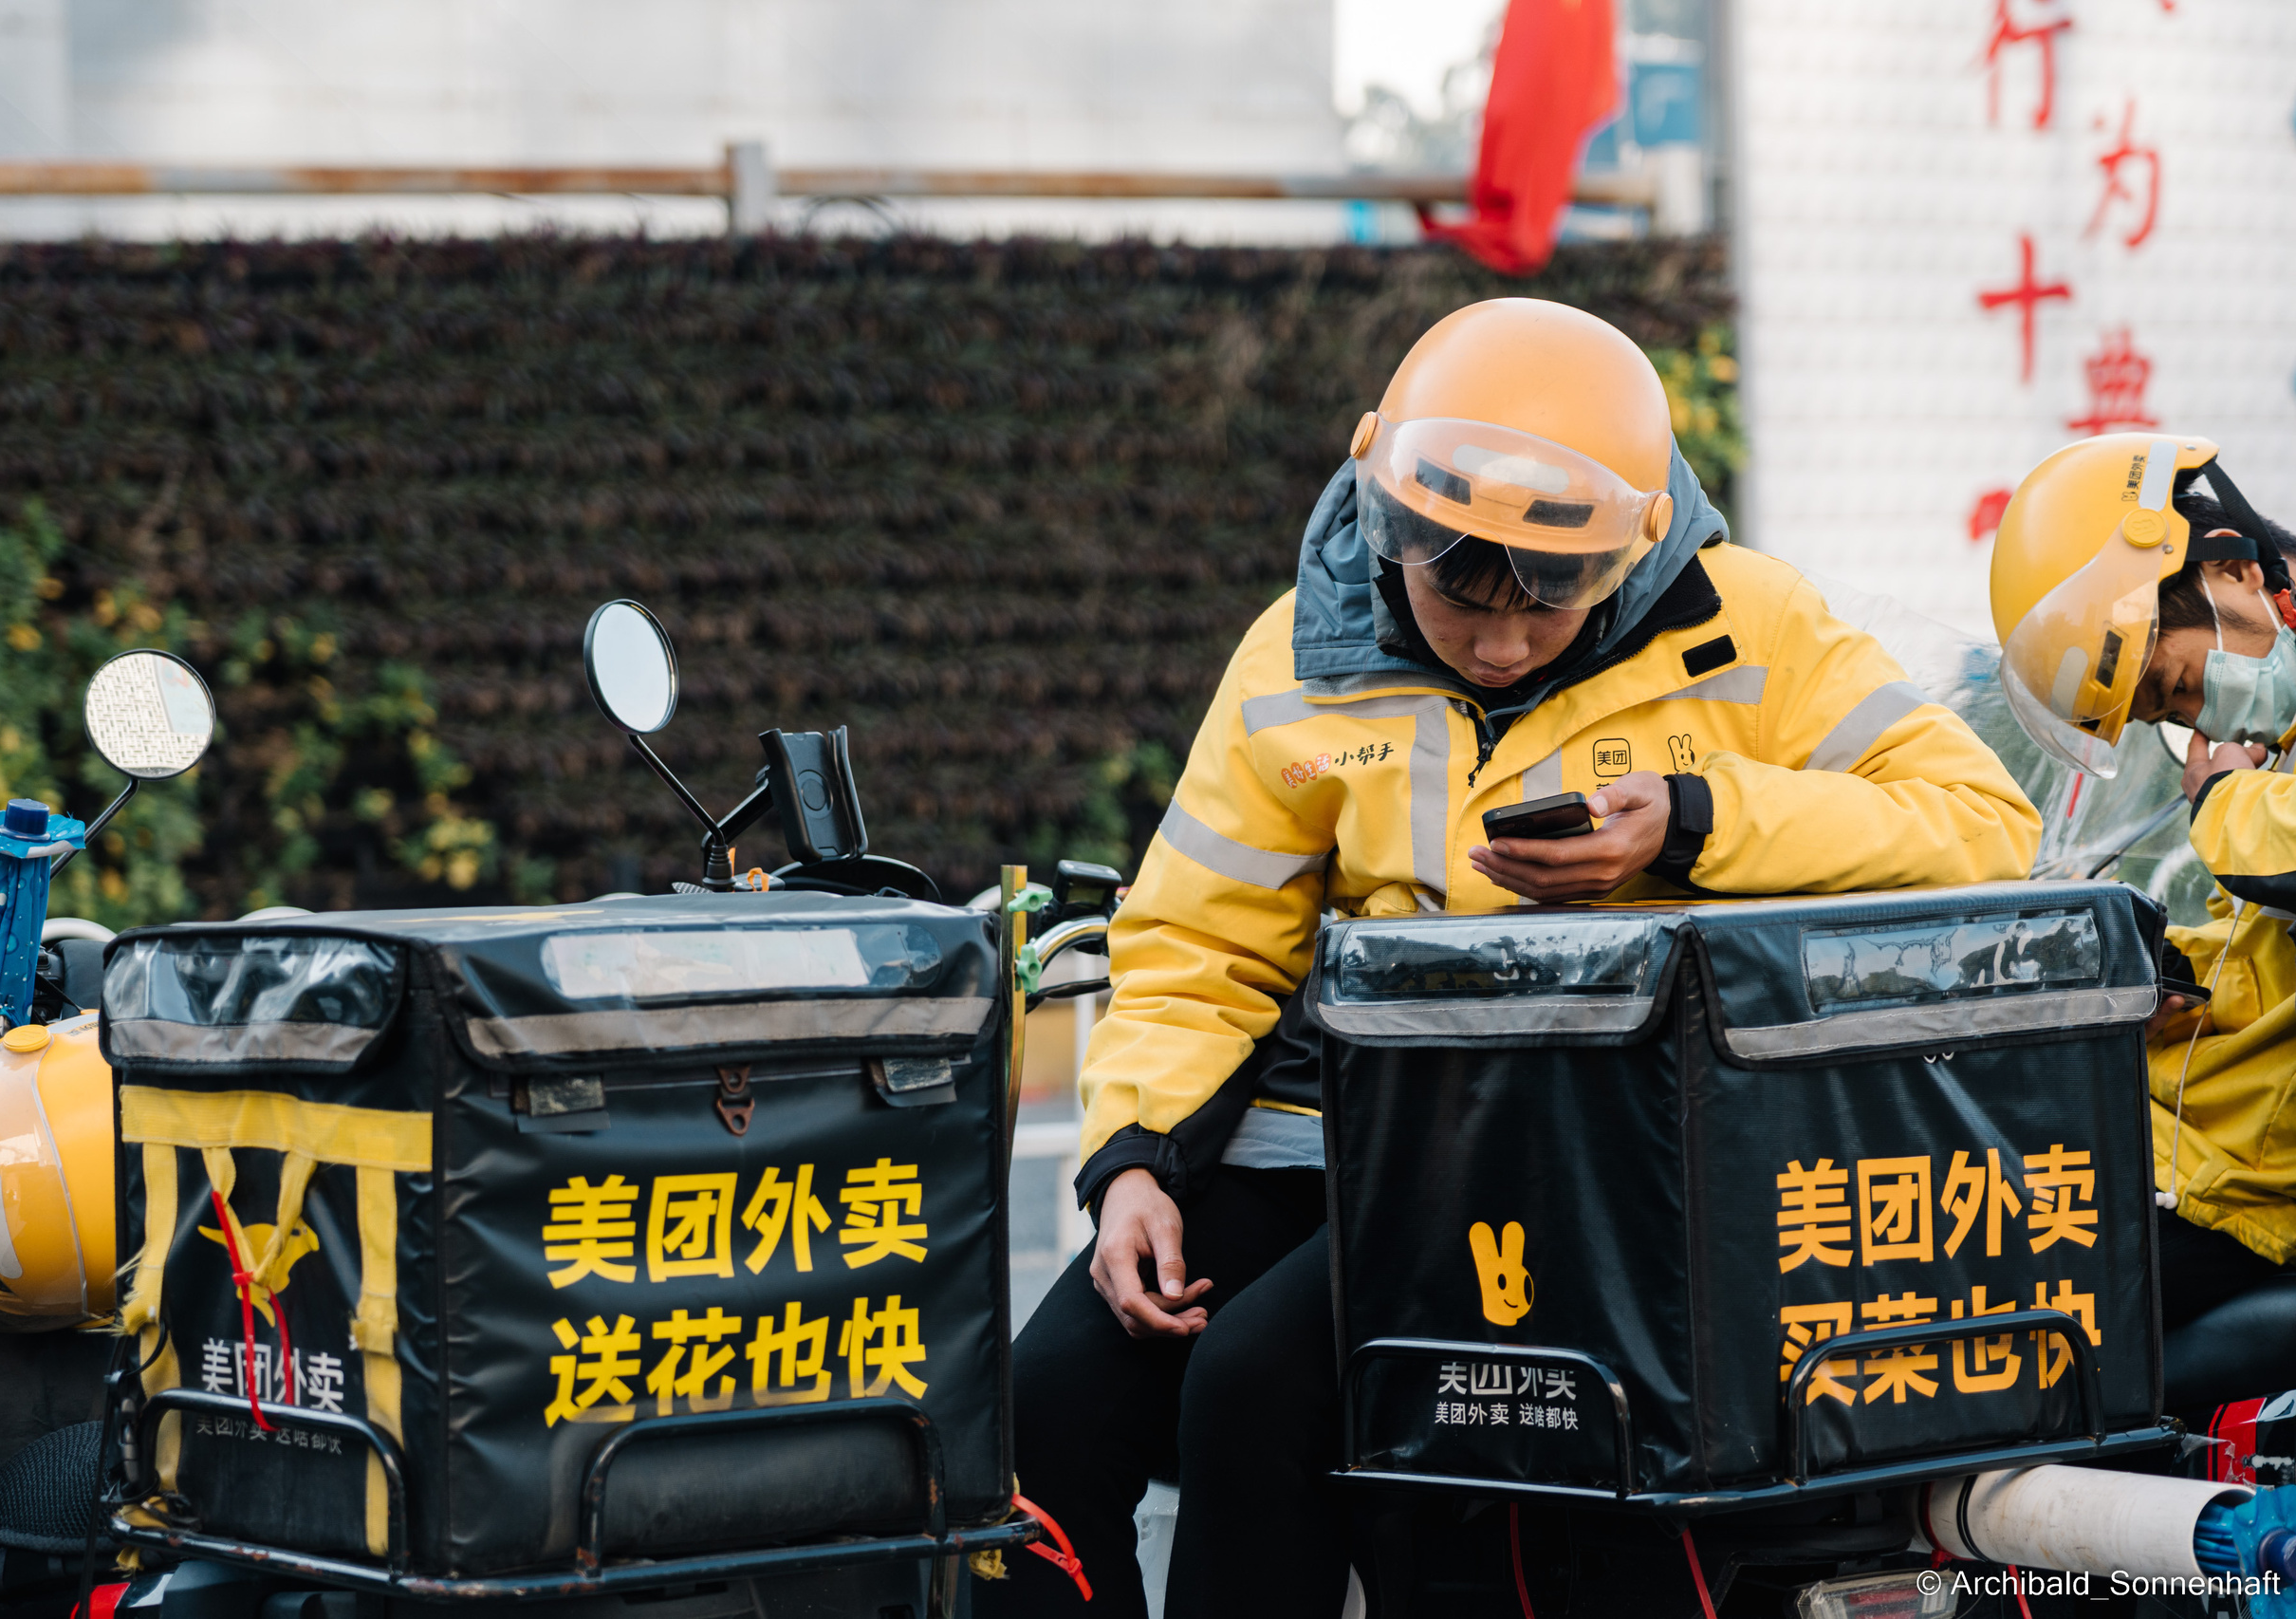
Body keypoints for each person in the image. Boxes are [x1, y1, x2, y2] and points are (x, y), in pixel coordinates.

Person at [981, 299, 2041, 1619]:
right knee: (1045, 1405)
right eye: (1458, 594)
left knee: (1256, 1387)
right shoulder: (1293, 658)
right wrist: (1135, 1160)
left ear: (1635, 546)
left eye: (1548, 601)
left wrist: (1698, 821)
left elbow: (1983, 822)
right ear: (1384, 517)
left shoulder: (1750, 629)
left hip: (1589, 1154)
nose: (1496, 642)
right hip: (1332, 1132)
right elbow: (1198, 940)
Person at [1991, 433, 2296, 1334]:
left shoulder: (2247, 795)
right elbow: (2269, 951)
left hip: (2241, 1192)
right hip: (2197, 1157)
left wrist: (2224, 802)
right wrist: (2168, 974)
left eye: (2179, 682)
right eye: (2169, 712)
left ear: (2235, 570)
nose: (2201, 721)